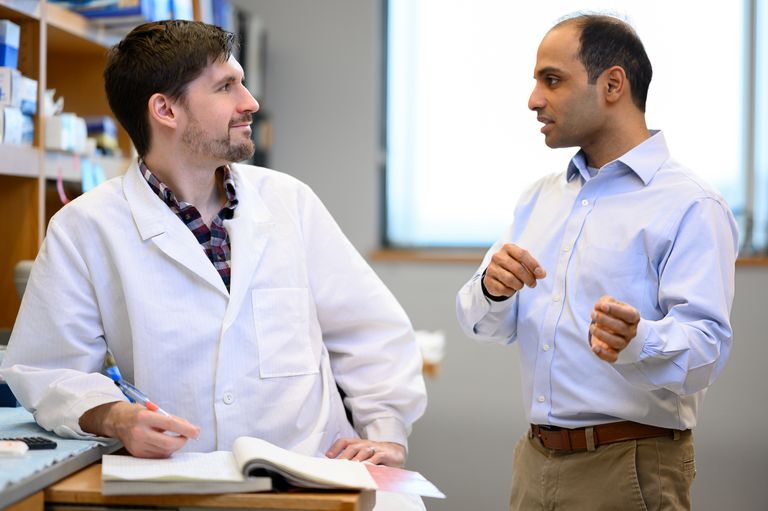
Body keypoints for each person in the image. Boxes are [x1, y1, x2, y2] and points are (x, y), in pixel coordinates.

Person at [0, 20, 426, 510]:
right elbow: (46, 368)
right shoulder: (86, 227)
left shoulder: (289, 203)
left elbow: (370, 331)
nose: (250, 102)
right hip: (182, 485)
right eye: (227, 87)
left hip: (317, 480)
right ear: (165, 109)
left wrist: (388, 431)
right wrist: (114, 416)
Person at [456, 13, 738, 511]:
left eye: (552, 79)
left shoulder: (690, 204)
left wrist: (639, 340)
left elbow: (707, 352)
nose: (533, 99)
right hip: (533, 461)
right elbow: (484, 325)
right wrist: (492, 290)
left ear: (612, 84)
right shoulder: (538, 199)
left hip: (629, 467)